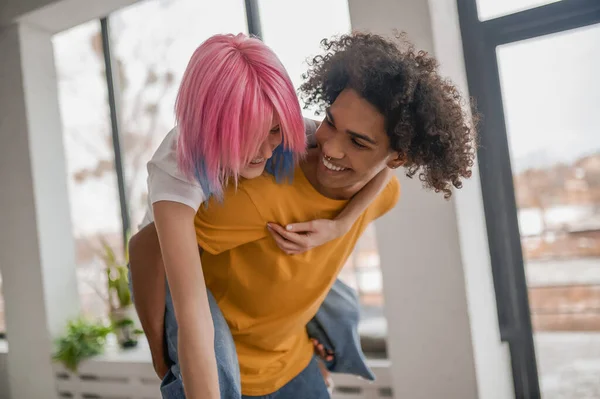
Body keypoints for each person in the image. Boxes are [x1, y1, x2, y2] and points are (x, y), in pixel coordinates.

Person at [131, 32, 477, 398]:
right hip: (166, 253)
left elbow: (384, 169)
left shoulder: (306, 135)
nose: (267, 149)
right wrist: (161, 357)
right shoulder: (183, 177)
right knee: (206, 349)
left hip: (288, 356)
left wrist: (340, 225)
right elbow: (153, 260)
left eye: (277, 130)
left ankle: (324, 346)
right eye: (249, 137)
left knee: (340, 307)